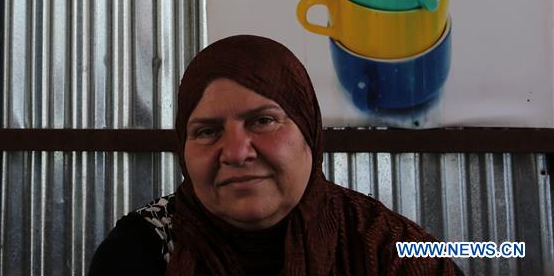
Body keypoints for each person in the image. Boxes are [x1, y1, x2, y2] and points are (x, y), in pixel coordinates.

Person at [89, 35, 464, 275]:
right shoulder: (143, 250)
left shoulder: (387, 249)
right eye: (207, 131)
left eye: (264, 121)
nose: (236, 153)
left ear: (309, 134)